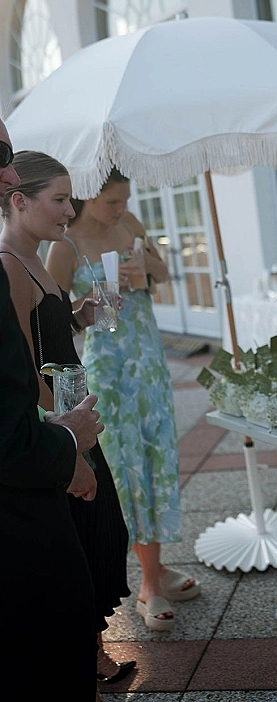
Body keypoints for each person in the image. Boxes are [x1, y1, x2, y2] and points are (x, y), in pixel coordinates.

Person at [0, 150, 136, 696]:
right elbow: (21, 364)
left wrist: (80, 314)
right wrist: (65, 439)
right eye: (58, 199)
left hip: (71, 418)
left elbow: (50, 338)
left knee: (98, 525)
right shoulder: (9, 263)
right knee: (87, 528)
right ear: (19, 201)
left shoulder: (37, 256)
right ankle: (86, 655)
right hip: (56, 425)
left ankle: (92, 648)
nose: (69, 209)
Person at [47, 167, 200, 632]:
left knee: (156, 454)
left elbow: (164, 271)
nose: (121, 208)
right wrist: (87, 303)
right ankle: (148, 583)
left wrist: (144, 272)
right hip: (109, 370)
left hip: (149, 360)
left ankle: (157, 568)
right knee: (127, 463)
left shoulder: (131, 225)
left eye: (125, 199)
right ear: (90, 197)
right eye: (112, 201)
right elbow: (51, 321)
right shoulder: (65, 246)